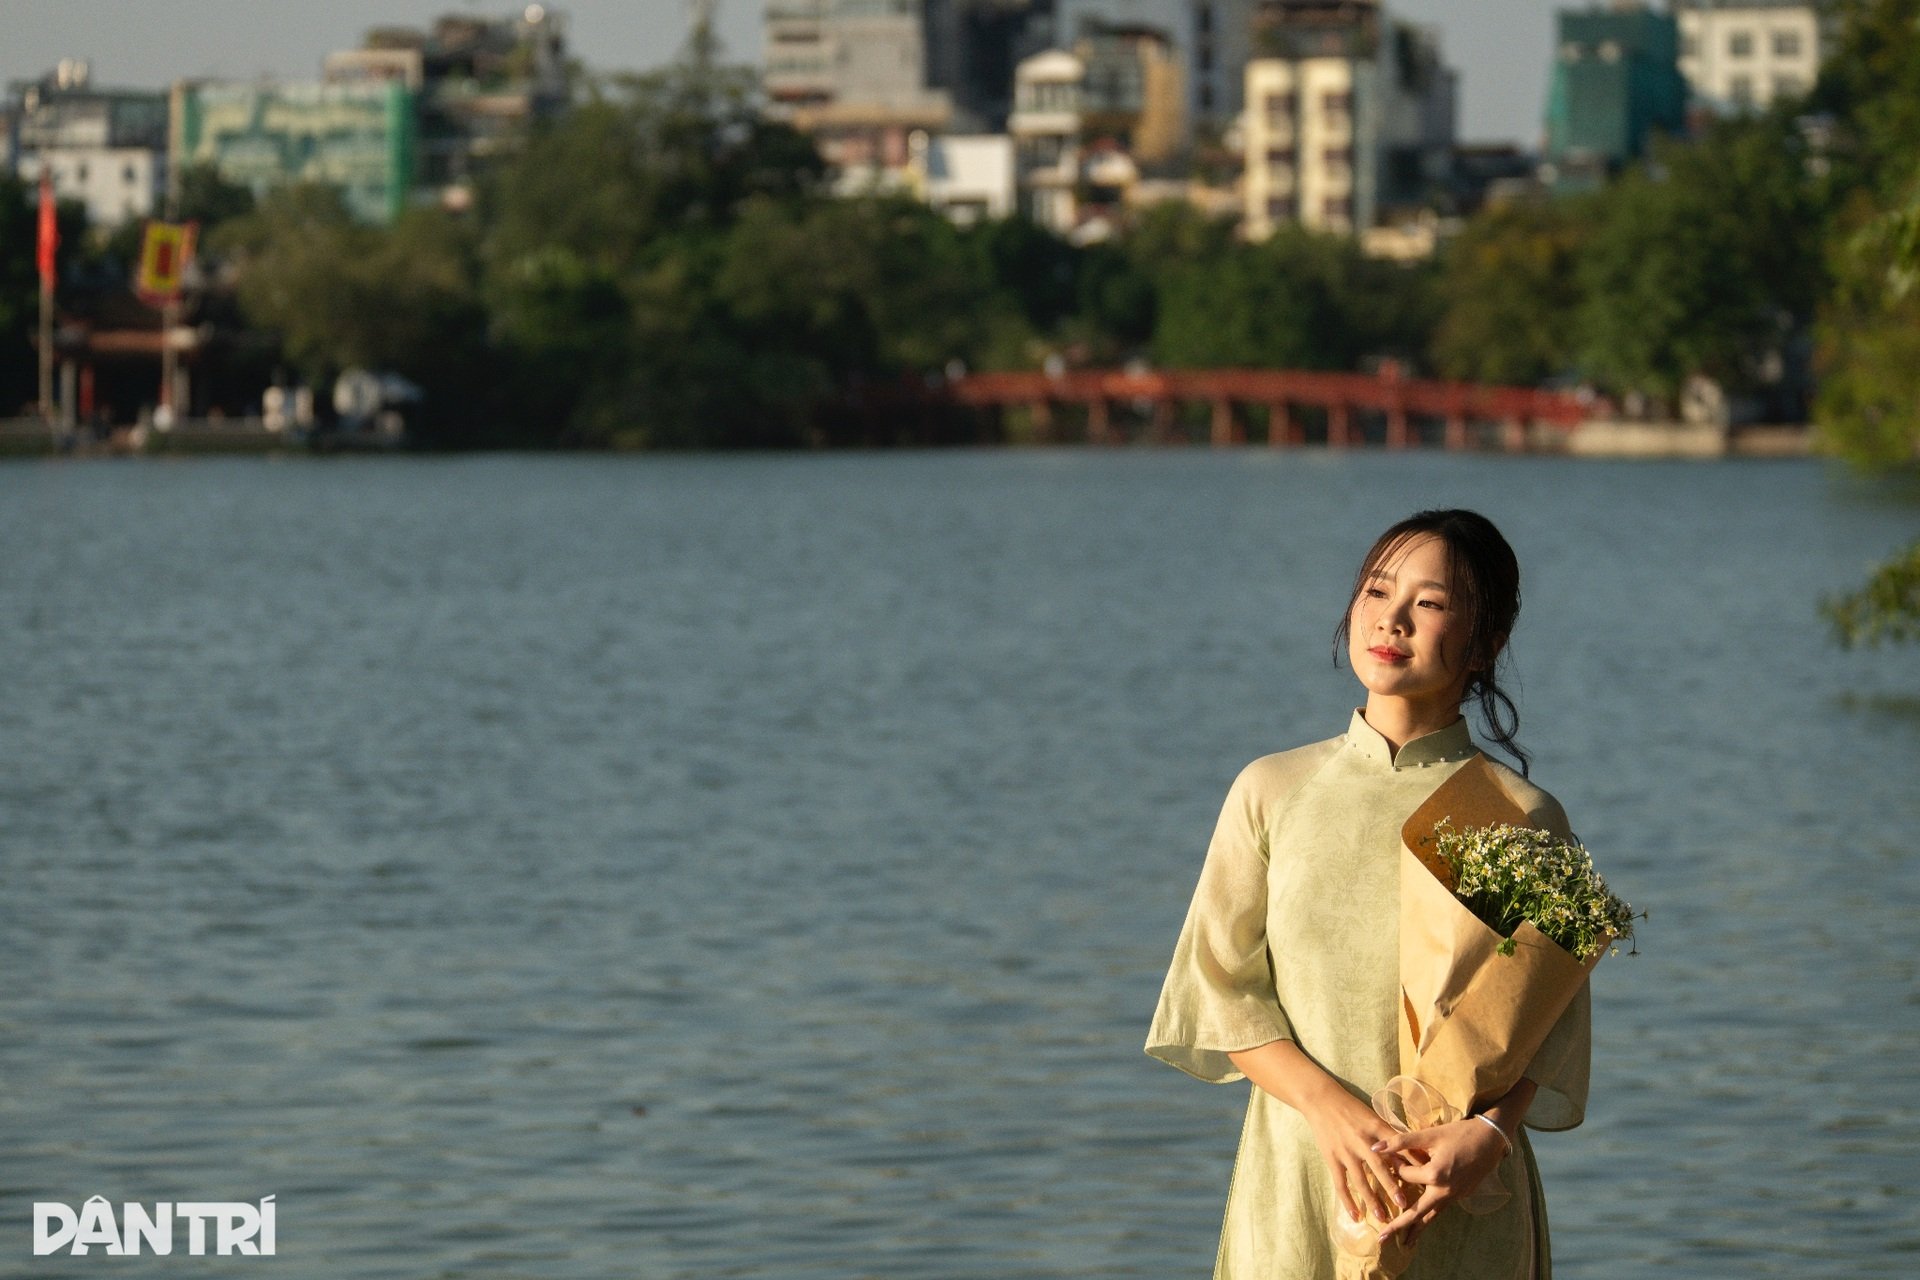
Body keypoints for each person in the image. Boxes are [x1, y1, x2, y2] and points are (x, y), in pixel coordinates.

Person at [1145, 509, 1590, 1280]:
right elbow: (1220, 990)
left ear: (1485, 642)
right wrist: (1331, 1112)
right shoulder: (1274, 791)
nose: (1392, 618)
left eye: (1430, 602)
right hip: (1302, 1173)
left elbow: (1549, 1022)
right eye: (1377, 590)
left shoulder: (1517, 813)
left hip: (1454, 1189)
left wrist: (1487, 1137)